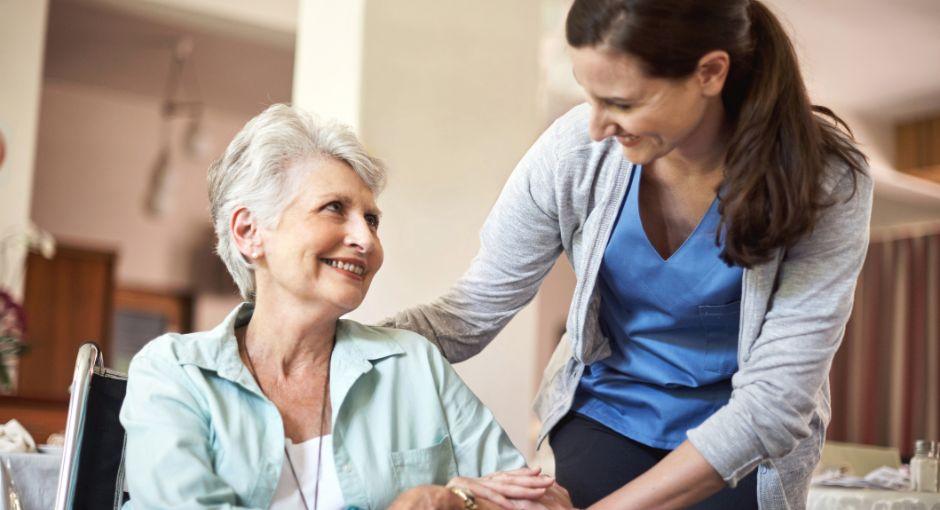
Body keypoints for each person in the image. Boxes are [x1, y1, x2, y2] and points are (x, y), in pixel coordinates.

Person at [383, 0, 873, 508]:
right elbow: (473, 309)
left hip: (742, 434)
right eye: (589, 97)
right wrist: (338, 345)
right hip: (607, 414)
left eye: (621, 102)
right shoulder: (575, 152)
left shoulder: (826, 179)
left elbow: (774, 401)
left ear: (709, 73)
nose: (596, 126)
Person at [119, 104, 567, 510]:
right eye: (334, 208)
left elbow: (544, 503)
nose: (366, 239)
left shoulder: (413, 363)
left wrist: (453, 501)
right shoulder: (174, 373)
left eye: (371, 219)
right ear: (249, 232)